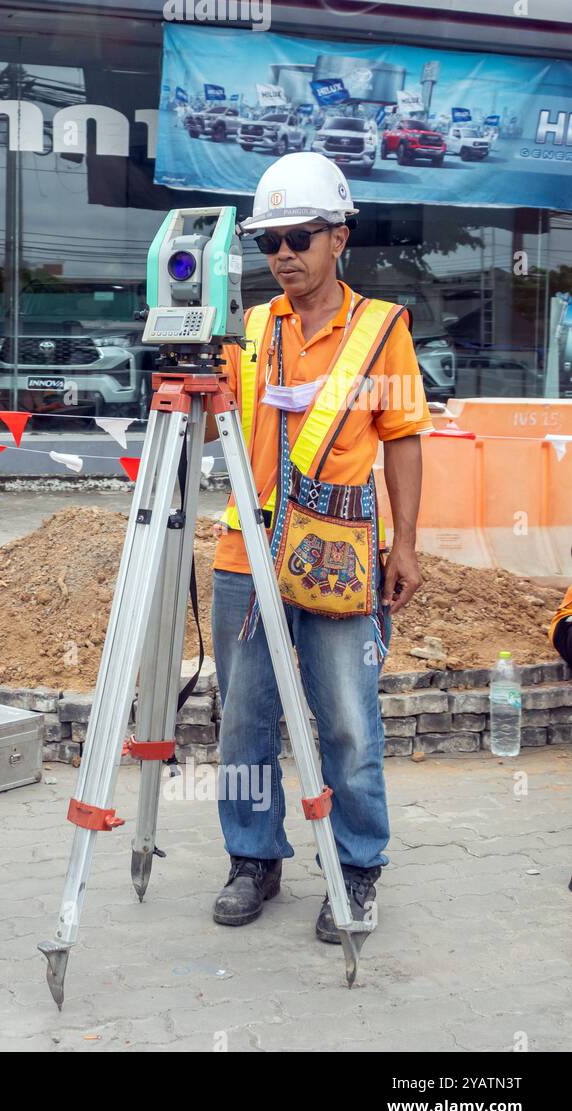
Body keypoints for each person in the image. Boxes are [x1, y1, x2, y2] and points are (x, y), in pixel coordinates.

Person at [206, 152, 433, 941]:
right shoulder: (248, 328)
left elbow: (403, 440)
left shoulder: (381, 331)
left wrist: (406, 544)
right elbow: (217, 430)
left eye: (299, 236)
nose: (283, 255)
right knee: (243, 721)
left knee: (344, 718)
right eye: (269, 241)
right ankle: (252, 856)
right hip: (247, 552)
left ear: (340, 236)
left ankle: (358, 866)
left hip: (338, 558)